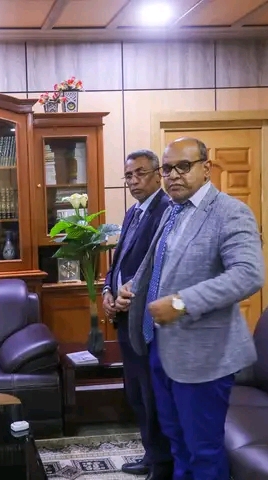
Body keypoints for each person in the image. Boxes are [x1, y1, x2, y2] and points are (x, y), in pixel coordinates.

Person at [116, 137, 264, 480]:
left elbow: (248, 274)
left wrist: (181, 303)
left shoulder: (230, 212)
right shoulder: (172, 211)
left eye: (184, 166)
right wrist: (132, 287)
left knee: (203, 450)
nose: (174, 175)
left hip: (204, 355)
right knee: (176, 443)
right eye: (167, 168)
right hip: (160, 347)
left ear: (206, 168)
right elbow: (160, 265)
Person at [102, 150, 172, 479]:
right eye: (128, 176)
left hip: (147, 320)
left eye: (140, 173)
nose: (133, 181)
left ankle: (162, 465)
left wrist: (129, 295)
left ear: (158, 174)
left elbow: (159, 267)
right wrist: (107, 289)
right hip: (123, 319)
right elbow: (118, 261)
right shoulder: (134, 212)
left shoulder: (167, 211)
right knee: (136, 394)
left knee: (152, 395)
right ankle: (150, 454)